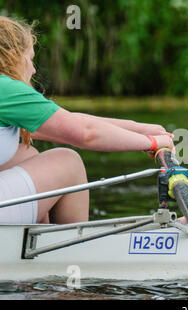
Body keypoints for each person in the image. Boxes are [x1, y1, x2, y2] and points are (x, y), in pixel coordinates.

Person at [0, 16, 173, 224]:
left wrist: (139, 129)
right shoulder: (5, 88)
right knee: (68, 163)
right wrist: (152, 143)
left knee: (26, 155)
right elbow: (85, 133)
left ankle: (39, 244)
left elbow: (73, 121)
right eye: (30, 58)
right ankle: (73, 250)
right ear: (12, 55)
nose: (34, 70)